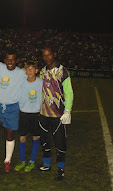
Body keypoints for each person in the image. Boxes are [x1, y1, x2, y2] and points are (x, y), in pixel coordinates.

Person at [38, 47, 74, 181]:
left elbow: (69, 92)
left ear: (54, 54)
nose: (47, 58)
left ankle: (61, 169)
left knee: (60, 143)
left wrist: (67, 110)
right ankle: (46, 165)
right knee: (45, 141)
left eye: (49, 55)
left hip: (58, 115)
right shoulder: (43, 71)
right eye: (44, 55)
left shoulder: (62, 71)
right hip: (43, 113)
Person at [14, 62, 43, 172]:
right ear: (25, 71)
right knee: (22, 138)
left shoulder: (41, 83)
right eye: (28, 69)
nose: (30, 71)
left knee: (36, 137)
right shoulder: (21, 82)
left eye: (32, 69)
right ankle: (22, 161)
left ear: (36, 70)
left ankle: (31, 162)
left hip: (36, 114)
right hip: (24, 114)